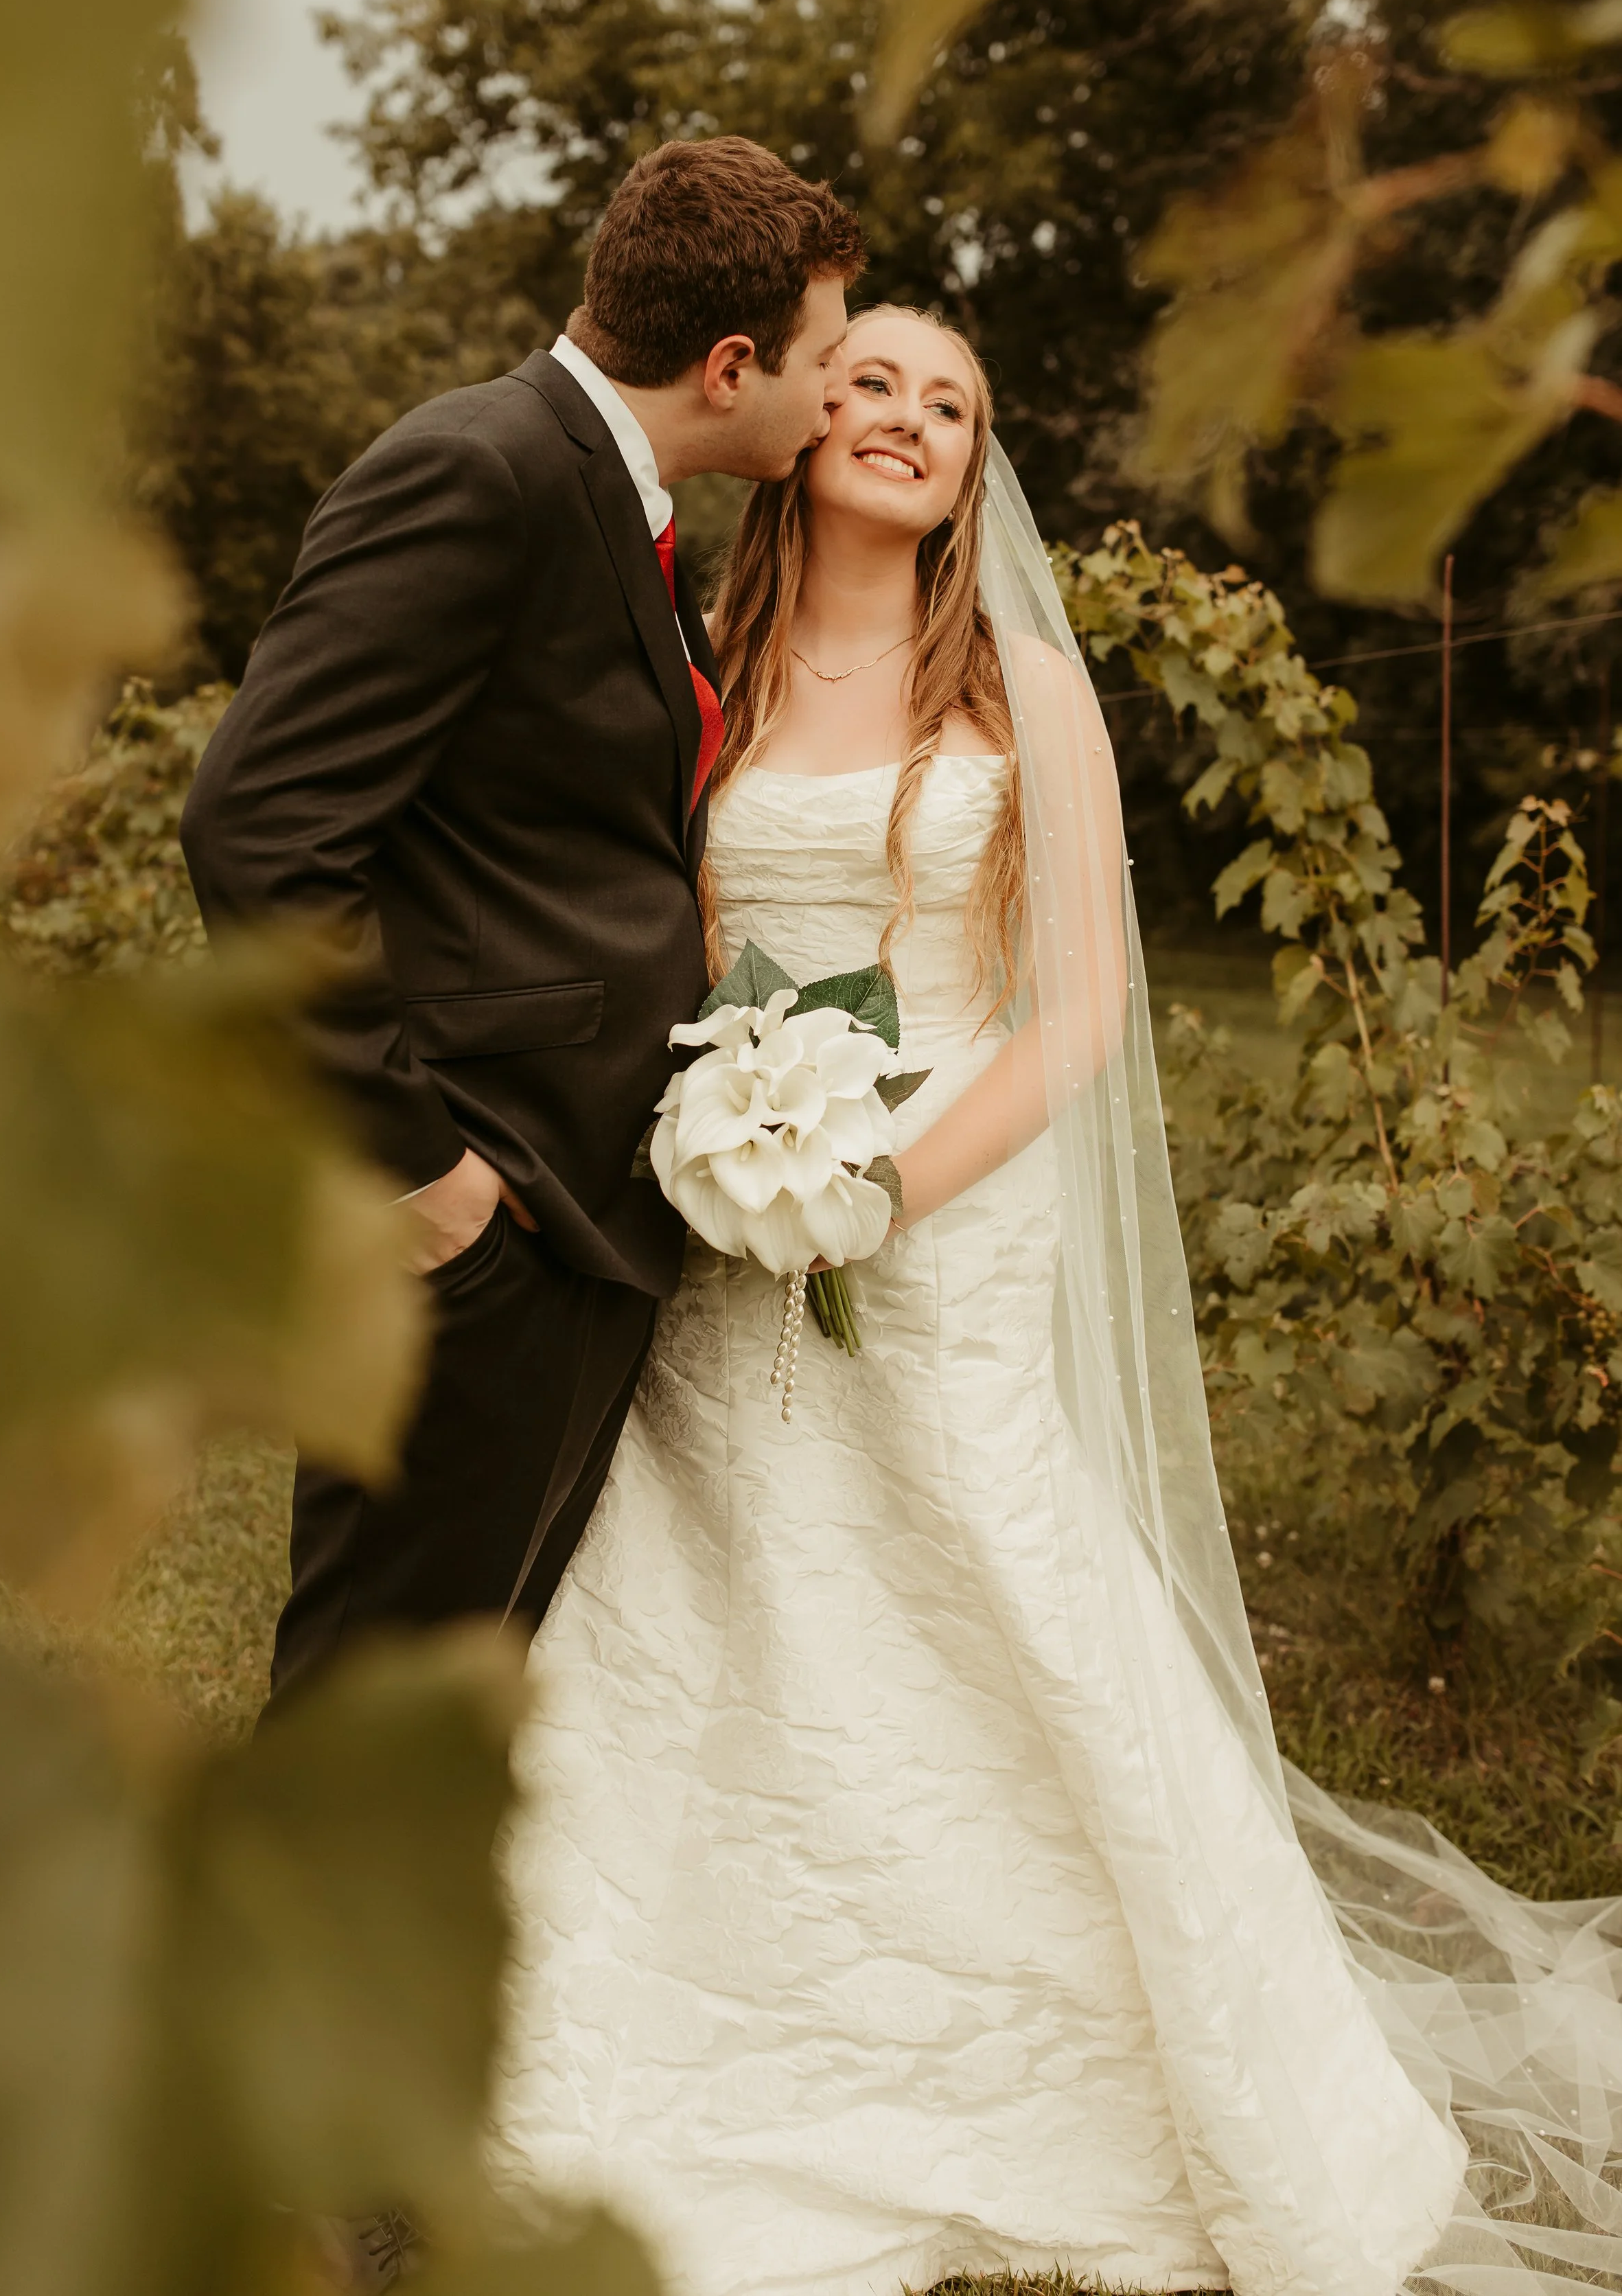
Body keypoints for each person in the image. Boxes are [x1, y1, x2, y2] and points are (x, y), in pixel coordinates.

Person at [496, 308, 1622, 2296]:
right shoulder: (705, 671)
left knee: (987, 1573)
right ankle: (662, 2033)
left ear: (974, 466)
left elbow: (1081, 1011)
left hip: (946, 1210)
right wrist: (727, 1149)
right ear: (797, 415)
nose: (907, 420)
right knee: (711, 1576)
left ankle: (1109, 2057)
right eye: (872, 383)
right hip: (723, 1205)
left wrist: (872, 1188)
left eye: (950, 404)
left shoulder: (1020, 682)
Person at [180, 135, 864, 1704]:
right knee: (373, 1690)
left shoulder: (622, 502)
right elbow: (257, 827)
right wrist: (422, 1174)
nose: (833, 400)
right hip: (472, 1205)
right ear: (731, 362)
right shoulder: (476, 469)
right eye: (825, 364)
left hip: (568, 1202)